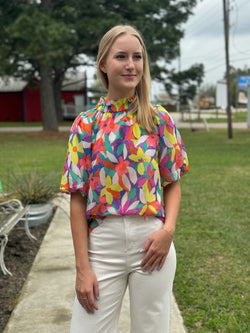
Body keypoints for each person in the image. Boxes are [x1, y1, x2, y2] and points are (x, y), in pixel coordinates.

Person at [60, 24, 189, 333]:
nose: (131, 65)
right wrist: (82, 269)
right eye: (121, 56)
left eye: (137, 57)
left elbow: (172, 183)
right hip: (102, 246)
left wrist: (168, 231)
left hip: (152, 245)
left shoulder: (158, 119)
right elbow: (77, 199)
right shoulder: (86, 124)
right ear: (103, 64)